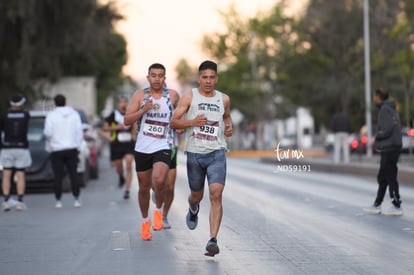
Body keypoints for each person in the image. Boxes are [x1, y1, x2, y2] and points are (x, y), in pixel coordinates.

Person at [170, 60, 233, 257]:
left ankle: (212, 240)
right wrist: (193, 121)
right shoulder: (190, 96)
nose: (208, 81)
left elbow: (226, 118)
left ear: (216, 79)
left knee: (216, 194)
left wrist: (229, 127)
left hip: (217, 152)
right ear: (199, 79)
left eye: (212, 77)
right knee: (197, 195)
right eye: (204, 77)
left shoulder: (223, 99)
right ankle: (193, 207)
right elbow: (173, 122)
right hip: (195, 153)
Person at [124, 63, 179, 240]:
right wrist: (143, 110)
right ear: (148, 78)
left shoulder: (172, 96)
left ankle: (158, 212)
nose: (157, 78)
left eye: (160, 75)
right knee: (143, 188)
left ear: (165, 78)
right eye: (153, 75)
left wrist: (180, 127)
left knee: (160, 179)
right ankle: (145, 221)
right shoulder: (140, 95)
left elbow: (180, 117)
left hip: (163, 144)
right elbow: (126, 120)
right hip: (142, 147)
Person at [364, 88, 403, 216]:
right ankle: (377, 204)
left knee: (390, 176)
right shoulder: (390, 108)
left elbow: (387, 128)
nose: (373, 99)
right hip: (391, 146)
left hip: (390, 147)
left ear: (378, 97)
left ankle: (396, 205)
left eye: (374, 96)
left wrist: (377, 137)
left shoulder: (385, 109)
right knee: (383, 177)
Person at [44, 94, 83, 208]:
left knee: (58, 175)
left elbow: (48, 133)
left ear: (55, 103)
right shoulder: (74, 114)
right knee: (73, 174)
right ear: (65, 102)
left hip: (57, 150)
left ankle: (58, 201)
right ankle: (76, 199)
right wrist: (78, 146)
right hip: (71, 149)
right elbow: (79, 132)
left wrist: (51, 144)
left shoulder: (51, 115)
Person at [0, 94, 31, 211]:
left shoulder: (4, 115)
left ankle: (6, 200)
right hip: (21, 147)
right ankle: (20, 201)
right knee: (20, 174)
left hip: (7, 147)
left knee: (6, 174)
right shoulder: (25, 115)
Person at [102, 95, 135, 199]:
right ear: (118, 104)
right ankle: (121, 176)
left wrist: (135, 136)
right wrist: (117, 127)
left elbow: (135, 127)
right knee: (118, 165)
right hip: (117, 143)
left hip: (129, 143)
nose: (123, 104)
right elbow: (105, 128)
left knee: (129, 163)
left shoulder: (131, 114)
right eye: (121, 102)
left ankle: (127, 190)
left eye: (125, 102)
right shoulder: (114, 115)